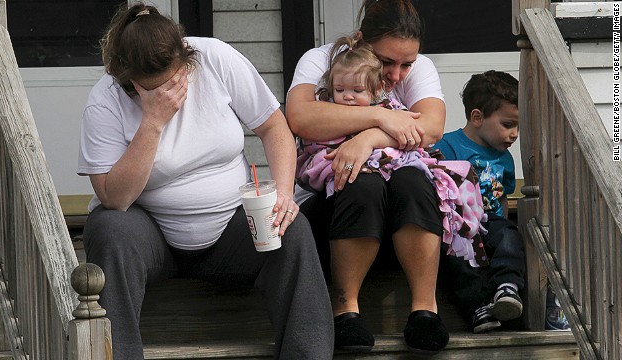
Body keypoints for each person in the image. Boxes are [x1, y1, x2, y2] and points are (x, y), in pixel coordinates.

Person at [77, 3, 333, 359]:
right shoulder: (105, 101)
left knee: (293, 229)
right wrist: (153, 122)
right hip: (152, 234)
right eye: (153, 89)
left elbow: (274, 127)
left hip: (232, 227)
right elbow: (113, 197)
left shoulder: (215, 58)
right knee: (110, 228)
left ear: (186, 55)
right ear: (127, 79)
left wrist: (284, 193)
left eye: (174, 79)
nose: (169, 93)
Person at [286, 0, 449, 354]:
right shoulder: (320, 60)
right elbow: (300, 116)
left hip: (401, 213)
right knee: (362, 180)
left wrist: (369, 138)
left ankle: (425, 310)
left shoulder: (417, 68)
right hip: (334, 212)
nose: (396, 75)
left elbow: (432, 126)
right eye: (387, 62)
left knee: (413, 178)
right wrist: (385, 118)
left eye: (407, 64)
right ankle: (346, 312)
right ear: (360, 42)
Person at [434, 70, 526, 333]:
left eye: (518, 126)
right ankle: (478, 309)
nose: (515, 134)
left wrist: (505, 228)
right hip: (459, 224)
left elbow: (503, 197)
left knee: (510, 235)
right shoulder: (448, 146)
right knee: (457, 263)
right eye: (508, 125)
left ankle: (507, 289)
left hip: (491, 222)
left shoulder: (504, 158)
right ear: (477, 117)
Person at [297, 35, 420, 198]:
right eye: (340, 90)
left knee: (412, 178)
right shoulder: (326, 108)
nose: (348, 96)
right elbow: (310, 144)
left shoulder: (388, 107)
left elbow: (413, 128)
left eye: (357, 90)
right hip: (338, 170)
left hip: (382, 167)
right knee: (363, 185)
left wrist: (371, 138)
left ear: (376, 89)